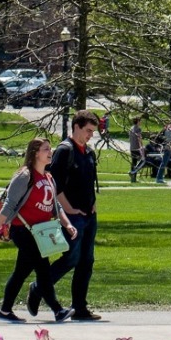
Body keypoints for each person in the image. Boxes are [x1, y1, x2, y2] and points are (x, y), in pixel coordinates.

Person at [0, 138, 76, 323]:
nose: (50, 152)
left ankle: (5, 311)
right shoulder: (25, 176)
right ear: (35, 153)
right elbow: (10, 204)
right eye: (46, 149)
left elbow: (55, 205)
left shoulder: (48, 177)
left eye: (50, 149)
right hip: (23, 230)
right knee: (43, 269)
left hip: (41, 232)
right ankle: (58, 310)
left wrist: (67, 223)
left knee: (21, 272)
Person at [47, 110, 104, 321]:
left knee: (86, 261)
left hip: (89, 215)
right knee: (71, 257)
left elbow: (90, 182)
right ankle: (39, 288)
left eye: (93, 131)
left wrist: (93, 204)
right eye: (88, 130)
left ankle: (79, 307)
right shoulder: (64, 151)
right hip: (73, 216)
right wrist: (68, 210)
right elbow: (56, 185)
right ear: (77, 127)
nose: (91, 135)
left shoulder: (88, 153)